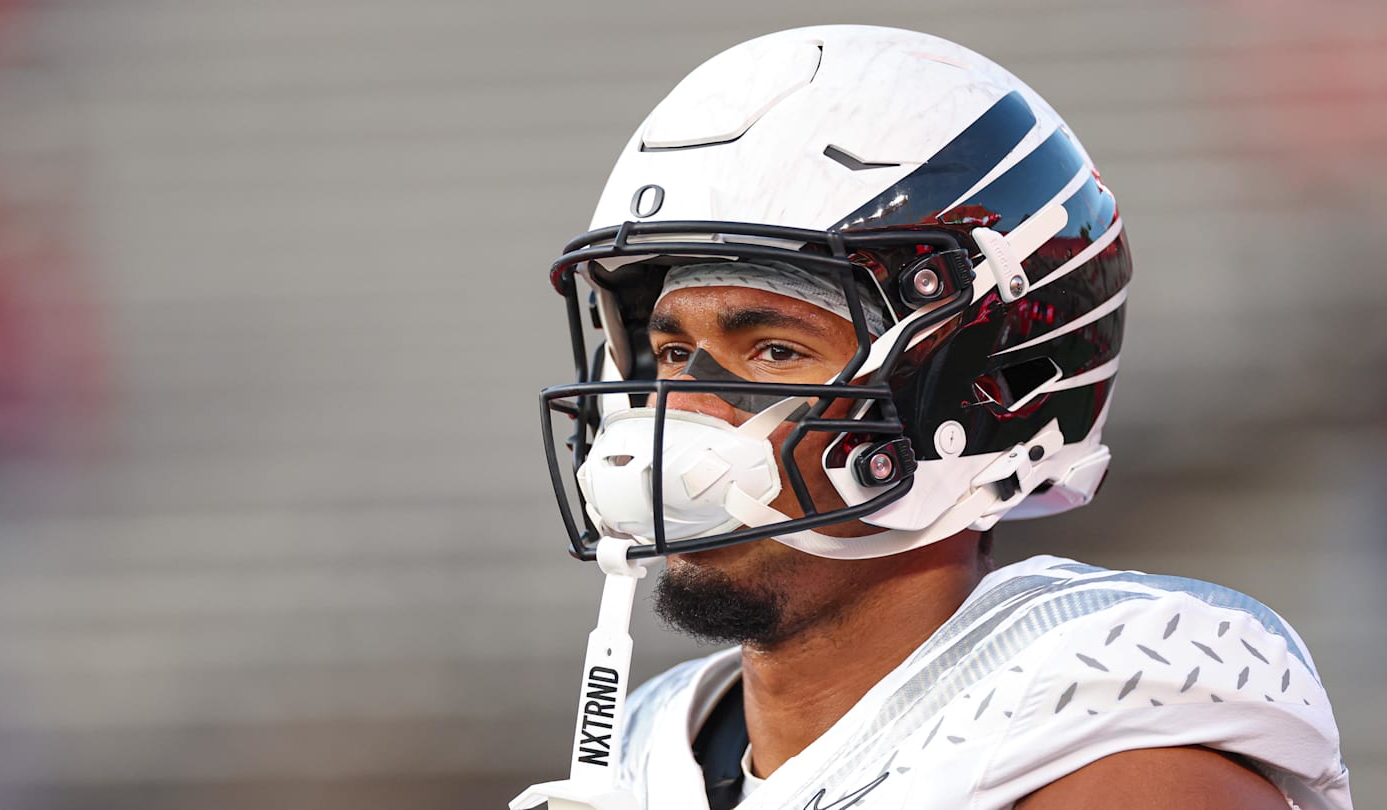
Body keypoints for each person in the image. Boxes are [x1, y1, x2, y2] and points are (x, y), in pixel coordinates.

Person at [524, 25, 1352, 810]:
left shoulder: (1112, 755)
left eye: (774, 351)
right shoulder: (646, 752)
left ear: (979, 391)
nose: (681, 410)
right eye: (671, 355)